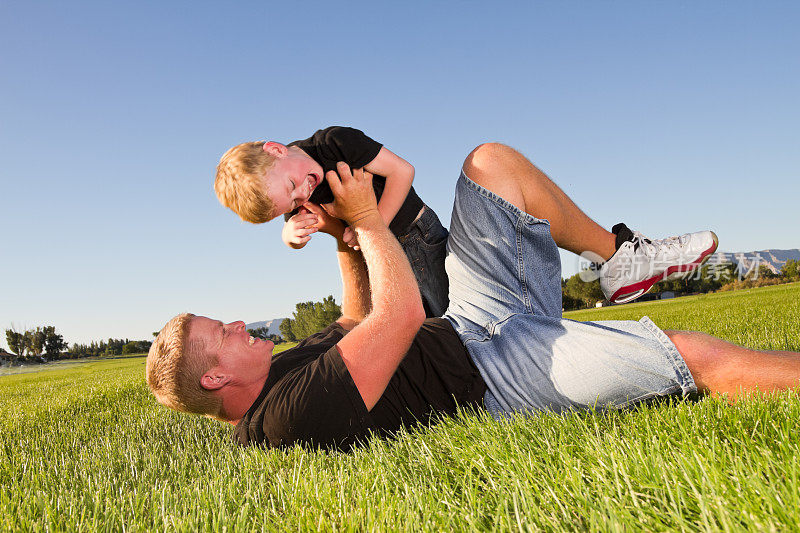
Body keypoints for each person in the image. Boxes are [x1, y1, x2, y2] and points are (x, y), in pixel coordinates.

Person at [148, 144, 800, 451]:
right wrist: (371, 219)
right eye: (222, 331)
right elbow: (399, 316)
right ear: (214, 374)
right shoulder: (282, 417)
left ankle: (618, 258)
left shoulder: (280, 366)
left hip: (473, 316)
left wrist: (343, 234)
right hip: (497, 375)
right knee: (696, 357)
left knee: (488, 164)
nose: (237, 322)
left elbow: (352, 316)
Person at [214, 126, 450, 317]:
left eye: (292, 185)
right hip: (377, 255)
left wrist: (370, 227)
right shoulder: (296, 193)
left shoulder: (334, 143)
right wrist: (289, 235)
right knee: (418, 327)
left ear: (276, 150)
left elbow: (402, 171)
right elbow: (297, 229)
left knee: (449, 312)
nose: (303, 194)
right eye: (293, 203)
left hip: (415, 236)